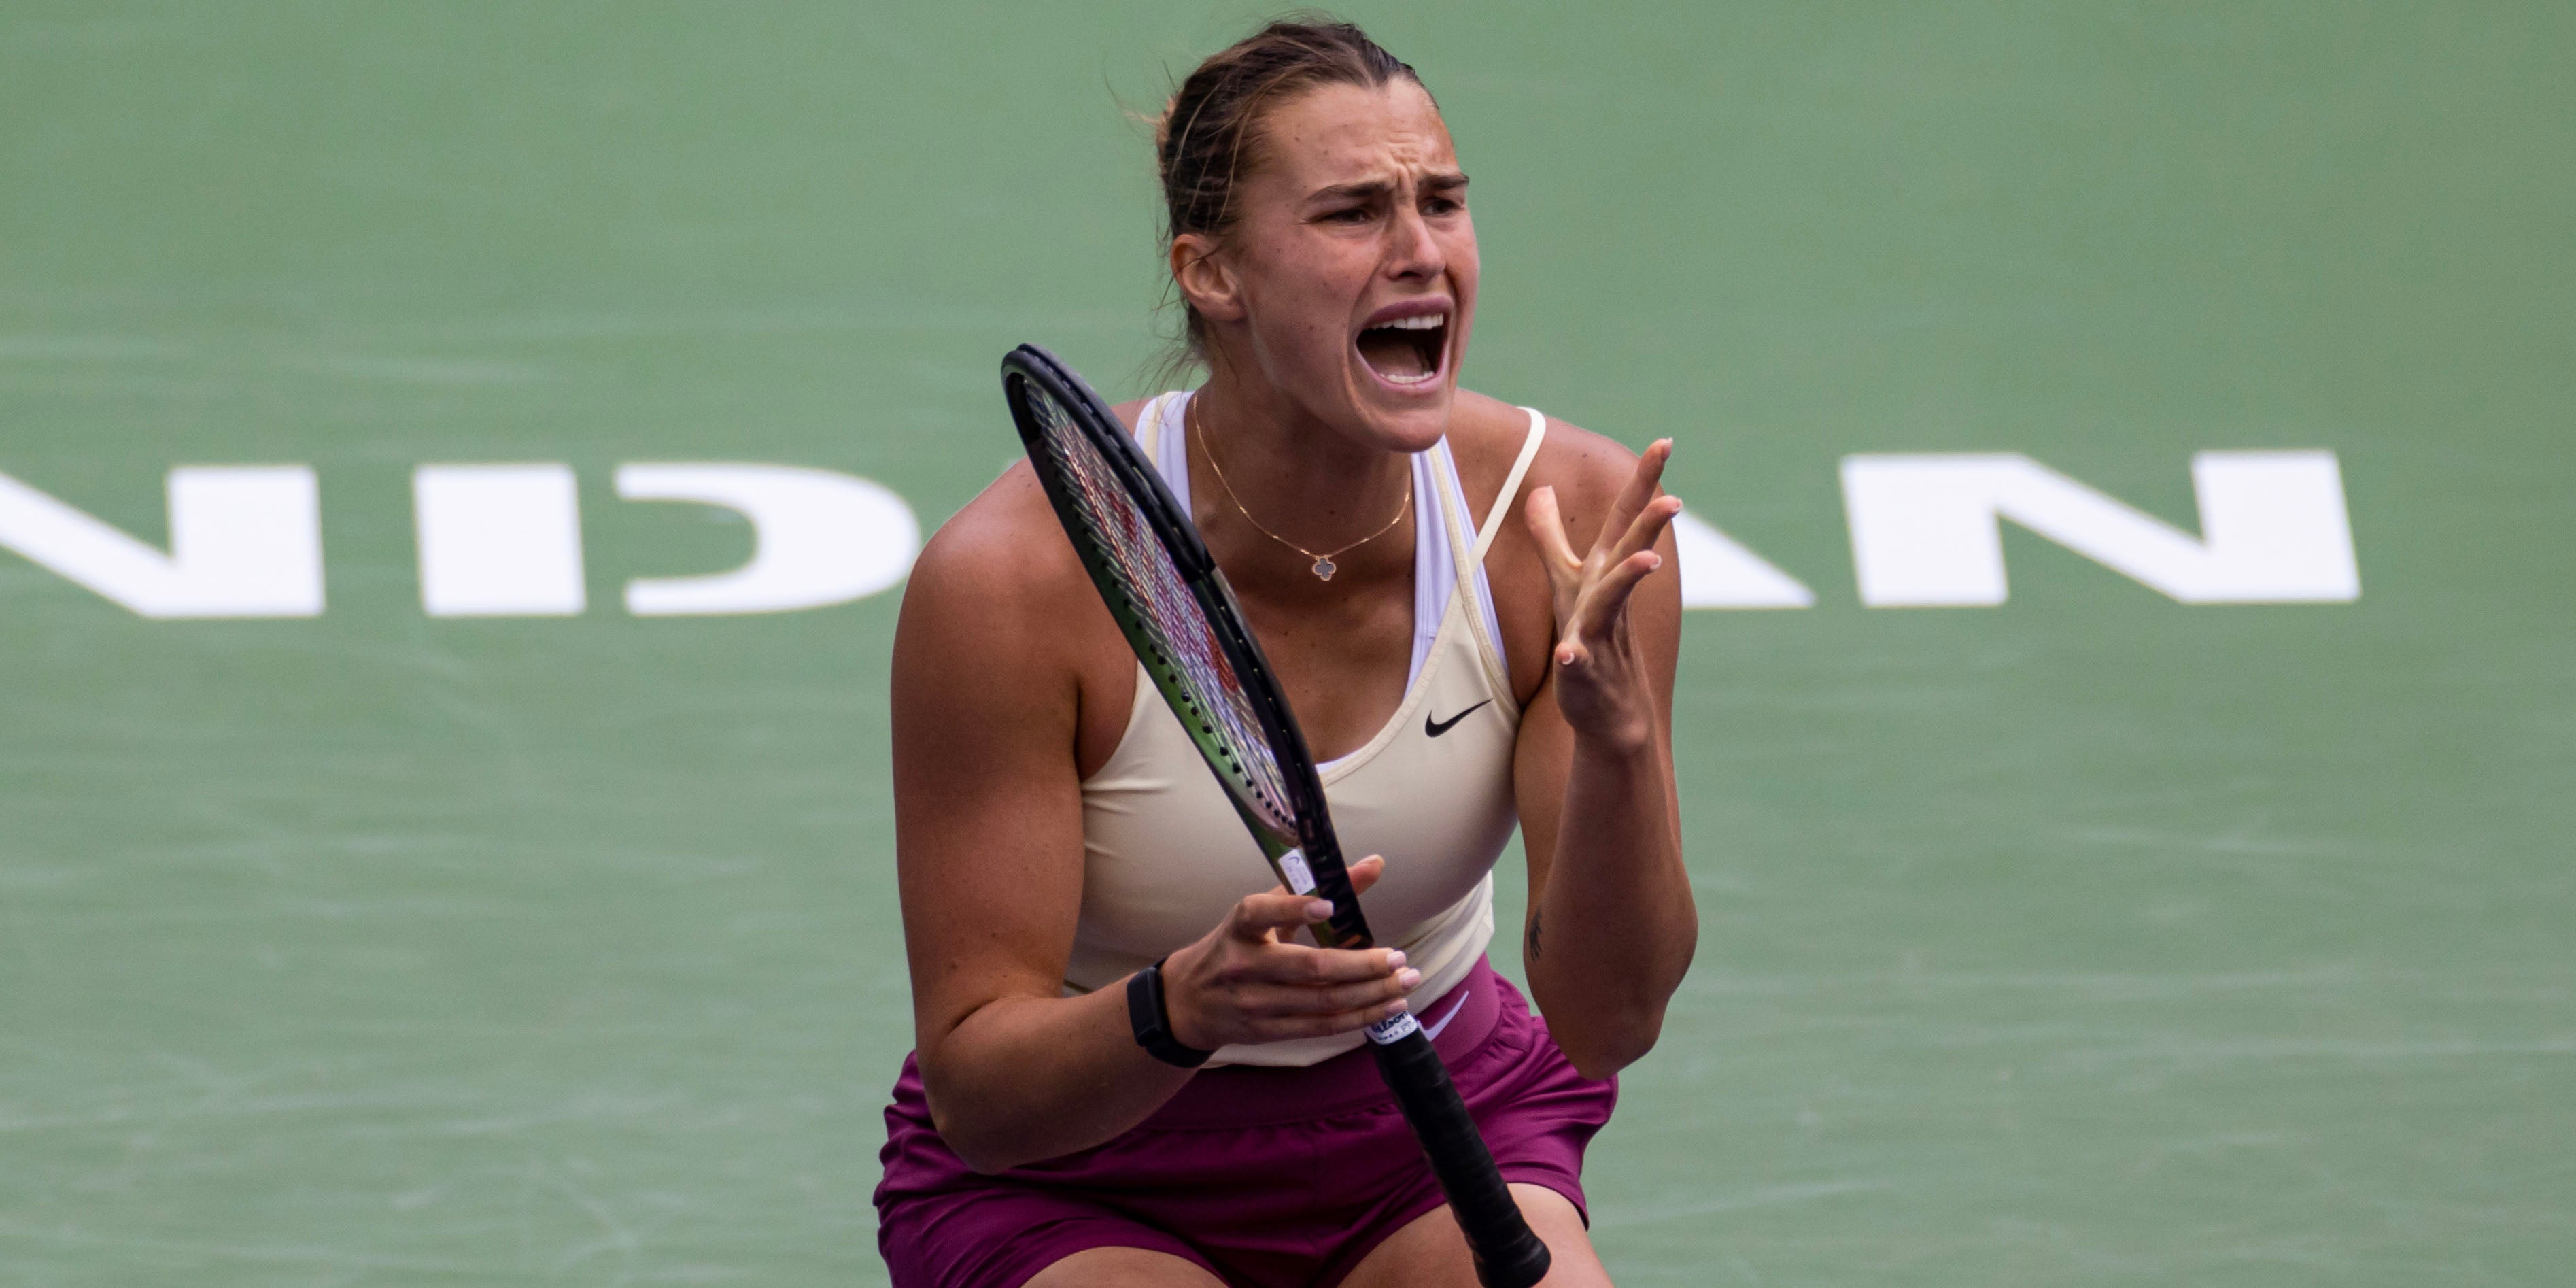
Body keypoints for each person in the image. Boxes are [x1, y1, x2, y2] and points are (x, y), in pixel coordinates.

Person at [876, 18, 1693, 1287]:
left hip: (1432, 1131)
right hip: (1081, 1166)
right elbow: (981, 1095)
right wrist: (1178, 1008)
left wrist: (1620, 744)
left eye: (1442, 202)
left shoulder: (1566, 523)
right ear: (1211, 272)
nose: (1420, 252)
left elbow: (1607, 1019)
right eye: (1353, 212)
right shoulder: (1016, 582)